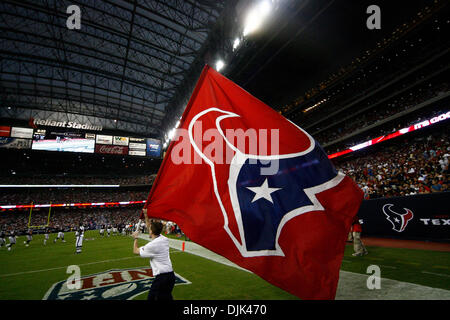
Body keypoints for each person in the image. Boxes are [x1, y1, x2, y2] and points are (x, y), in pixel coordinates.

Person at [132, 209, 175, 300]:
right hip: (171, 276)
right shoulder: (163, 239)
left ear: (151, 231)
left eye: (150, 229)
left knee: (152, 298)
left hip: (162, 278)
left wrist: (135, 238)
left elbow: (135, 251)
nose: (148, 229)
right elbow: (150, 227)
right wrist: (146, 215)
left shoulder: (152, 245)